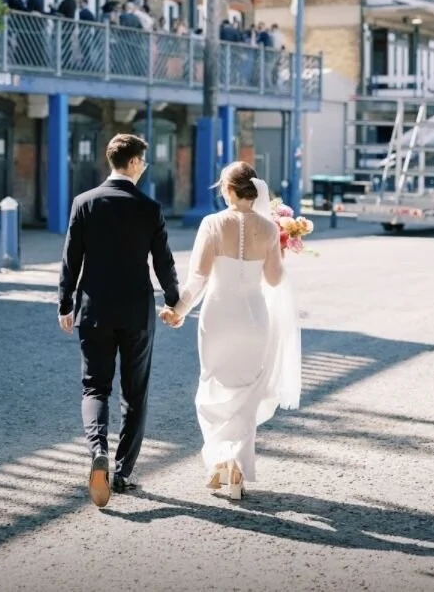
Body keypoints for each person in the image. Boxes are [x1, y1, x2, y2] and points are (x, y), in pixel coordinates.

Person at [161, 161, 301, 500]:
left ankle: (221, 462)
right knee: (246, 393)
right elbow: (274, 280)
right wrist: (282, 248)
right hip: (254, 317)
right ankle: (235, 466)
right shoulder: (269, 229)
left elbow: (198, 278)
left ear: (228, 189)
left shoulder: (212, 223)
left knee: (213, 388)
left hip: (219, 316)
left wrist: (178, 310)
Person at [58, 134, 180, 509]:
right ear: (133, 163)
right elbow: (163, 262)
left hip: (93, 310)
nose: (144, 167)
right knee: (134, 392)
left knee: (94, 388)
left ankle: (98, 451)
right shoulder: (149, 208)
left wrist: (65, 303)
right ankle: (123, 472)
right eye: (143, 161)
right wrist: (174, 300)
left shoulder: (84, 202)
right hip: (136, 312)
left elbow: (71, 258)